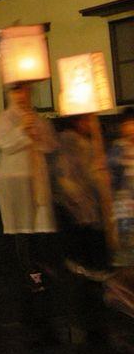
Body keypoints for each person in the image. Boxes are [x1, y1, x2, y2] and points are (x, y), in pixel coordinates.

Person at [0, 82, 58, 292]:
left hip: (36, 177)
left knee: (39, 226)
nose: (22, 95)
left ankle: (39, 267)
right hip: (14, 179)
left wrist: (37, 135)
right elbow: (5, 144)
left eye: (26, 90)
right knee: (22, 227)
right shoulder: (4, 119)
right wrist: (23, 130)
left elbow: (50, 145)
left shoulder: (38, 119)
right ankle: (28, 272)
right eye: (16, 91)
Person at [54, 116, 109, 341]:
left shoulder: (81, 142)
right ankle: (87, 323)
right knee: (85, 270)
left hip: (85, 214)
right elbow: (69, 180)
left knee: (87, 271)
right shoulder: (69, 142)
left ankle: (88, 323)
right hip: (81, 215)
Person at [108, 108, 134, 267]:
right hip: (124, 203)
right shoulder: (117, 149)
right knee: (126, 240)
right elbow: (112, 171)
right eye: (127, 124)